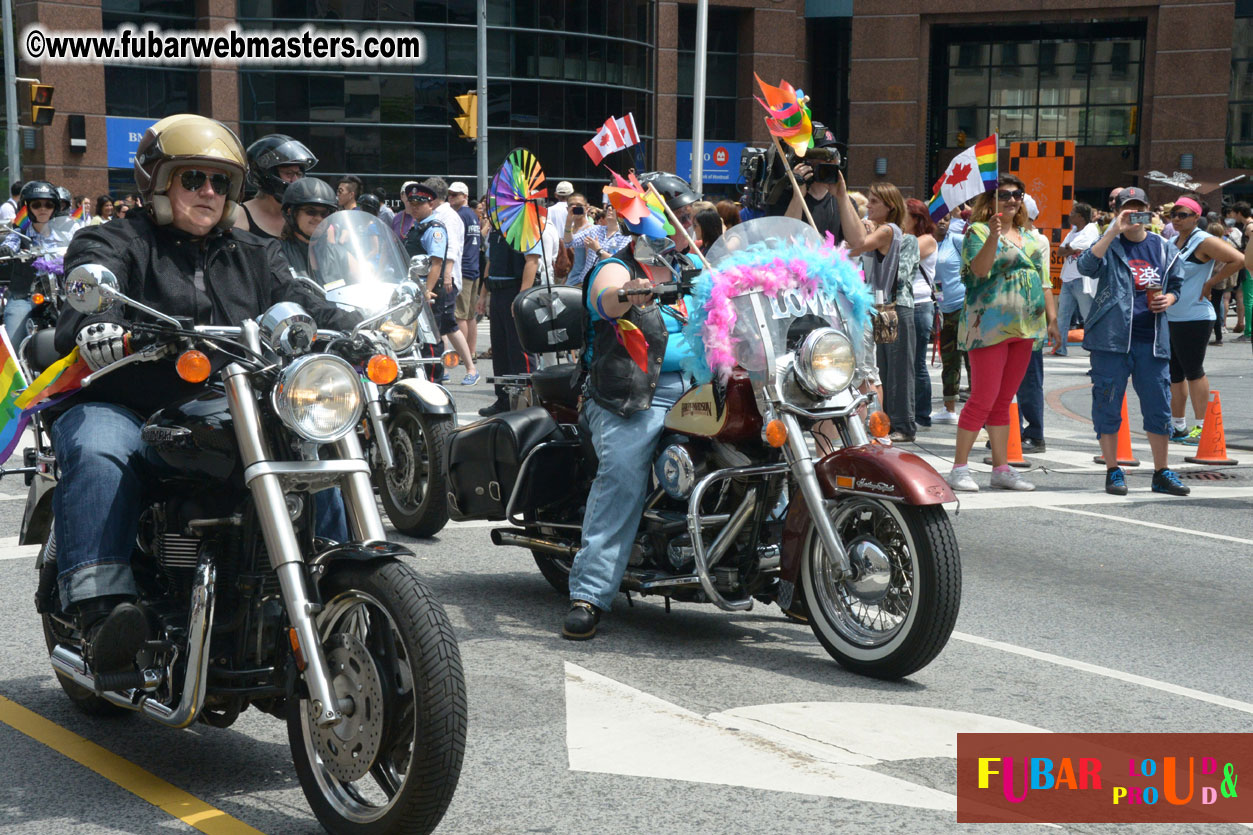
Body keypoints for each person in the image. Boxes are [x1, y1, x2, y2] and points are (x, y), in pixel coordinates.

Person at [51, 115, 360, 677]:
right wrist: (99, 321)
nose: (209, 193)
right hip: (127, 399)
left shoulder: (252, 252)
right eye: (193, 179)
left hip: (229, 401)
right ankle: (101, 615)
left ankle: (344, 584)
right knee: (99, 448)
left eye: (220, 183)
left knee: (315, 448)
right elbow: (87, 285)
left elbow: (299, 299)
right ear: (158, 182)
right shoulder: (115, 239)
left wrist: (360, 327)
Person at [563, 171, 701, 641]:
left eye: (691, 218)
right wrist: (626, 296)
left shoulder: (693, 267)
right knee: (623, 470)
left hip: (699, 392)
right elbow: (605, 298)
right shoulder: (619, 263)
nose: (688, 227)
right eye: (679, 218)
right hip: (632, 396)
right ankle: (590, 591)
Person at [945, 175, 1058, 492]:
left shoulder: (1032, 237)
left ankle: (1001, 467)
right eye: (1004, 195)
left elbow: (1044, 280)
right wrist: (994, 236)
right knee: (982, 397)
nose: (1012, 199)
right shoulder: (977, 232)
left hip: (1025, 325)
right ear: (990, 201)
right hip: (989, 326)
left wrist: (1052, 319)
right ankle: (959, 468)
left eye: (1017, 194)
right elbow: (978, 272)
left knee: (1004, 400)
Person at [1076, 186, 1189, 497]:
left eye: (1139, 208)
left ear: (1149, 212)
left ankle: (1161, 471)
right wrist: (1113, 231)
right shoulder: (1109, 244)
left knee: (1158, 406)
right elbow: (1085, 266)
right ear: (1118, 212)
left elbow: (1176, 283)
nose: (1133, 215)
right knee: (1107, 404)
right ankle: (1113, 469)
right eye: (1128, 209)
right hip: (1110, 340)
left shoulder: (1164, 247)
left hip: (1152, 340)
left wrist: (1170, 297)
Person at [839, 180, 920, 442]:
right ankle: (880, 426)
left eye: (874, 201)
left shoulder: (889, 230)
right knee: (876, 371)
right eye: (869, 200)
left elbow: (855, 246)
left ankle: (885, 428)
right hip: (875, 307)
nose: (869, 205)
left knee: (874, 371)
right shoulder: (883, 230)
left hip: (885, 308)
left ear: (889, 206)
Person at [1163, 196, 1242, 445]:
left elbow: (1238, 259)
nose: (1176, 219)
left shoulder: (1203, 240)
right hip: (1172, 315)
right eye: (1173, 214)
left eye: (1182, 214)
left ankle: (1202, 426)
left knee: (1193, 371)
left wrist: (1210, 283)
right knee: (1174, 374)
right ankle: (1178, 426)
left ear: (1196, 217)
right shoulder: (1173, 241)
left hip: (1195, 316)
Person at [477, 220, 534, 417]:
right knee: (500, 350)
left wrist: (522, 297)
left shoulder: (524, 225)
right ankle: (503, 400)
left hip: (514, 289)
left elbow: (532, 261)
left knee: (519, 350)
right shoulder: (496, 229)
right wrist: (483, 294)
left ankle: (527, 401)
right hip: (497, 291)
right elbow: (490, 263)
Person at [425, 177, 477, 383]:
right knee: (441, 326)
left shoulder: (448, 216)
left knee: (448, 325)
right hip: (440, 277)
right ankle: (444, 367)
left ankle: (470, 368)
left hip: (447, 278)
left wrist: (447, 275)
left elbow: (452, 247)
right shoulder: (439, 214)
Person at [0, 180, 61, 343]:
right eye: (37, 204)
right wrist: (6, 250)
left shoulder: (64, 235)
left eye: (48, 205)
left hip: (61, 295)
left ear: (55, 208)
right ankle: (17, 363)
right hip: (25, 295)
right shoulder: (19, 234)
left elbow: (79, 246)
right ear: (28, 208)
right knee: (13, 336)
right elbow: (8, 243)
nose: (43, 208)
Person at [1014, 194, 1051, 453]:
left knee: (1029, 378)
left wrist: (1053, 319)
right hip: (1000, 319)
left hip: (1029, 317)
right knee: (1003, 380)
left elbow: (1045, 281)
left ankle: (1034, 431)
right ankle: (1007, 428)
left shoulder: (1038, 241)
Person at [235, 133, 317, 239]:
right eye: (288, 173)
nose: (295, 180)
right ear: (265, 175)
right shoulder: (241, 216)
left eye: (299, 174)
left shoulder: (304, 215)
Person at [930, 212, 968, 424]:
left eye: (946, 218)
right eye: (938, 218)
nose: (942, 222)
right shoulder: (926, 243)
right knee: (949, 359)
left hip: (963, 307)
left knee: (971, 359)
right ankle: (949, 408)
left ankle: (978, 413)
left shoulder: (956, 240)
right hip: (942, 309)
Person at [903, 198, 937, 429]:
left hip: (920, 304)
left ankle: (922, 413)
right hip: (903, 305)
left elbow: (903, 257)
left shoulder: (926, 240)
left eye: (902, 214)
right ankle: (906, 410)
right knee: (902, 362)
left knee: (917, 362)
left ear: (917, 218)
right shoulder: (904, 238)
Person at [784, 123, 846, 245]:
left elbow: (858, 242)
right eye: (824, 156)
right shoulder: (784, 196)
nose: (830, 162)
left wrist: (842, 196)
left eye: (833, 157)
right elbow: (785, 241)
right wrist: (798, 196)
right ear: (805, 162)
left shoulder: (842, 200)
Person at [1054, 202, 1100, 356]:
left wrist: (1070, 248)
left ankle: (1095, 350)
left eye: (1073, 212)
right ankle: (1060, 348)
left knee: (1088, 317)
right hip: (1068, 279)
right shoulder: (1073, 231)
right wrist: (1070, 247)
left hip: (1082, 279)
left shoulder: (1091, 230)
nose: (1069, 215)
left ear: (1080, 217)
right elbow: (1060, 251)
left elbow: (1073, 248)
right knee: (1062, 317)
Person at [448, 181, 482, 362]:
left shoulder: (459, 215)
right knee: (469, 315)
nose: (451, 197)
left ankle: (464, 354)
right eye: (450, 194)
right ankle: (472, 351)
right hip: (474, 267)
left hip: (464, 268)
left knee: (460, 315)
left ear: (465, 196)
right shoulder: (472, 215)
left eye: (455, 194)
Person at [277, 176, 337, 277]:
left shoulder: (338, 253)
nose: (318, 218)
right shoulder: (276, 253)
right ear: (291, 213)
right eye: (311, 211)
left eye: (325, 213)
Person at [569, 203, 631, 287]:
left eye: (613, 207)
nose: (609, 208)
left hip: (606, 283)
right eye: (607, 207)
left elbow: (619, 262)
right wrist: (569, 221)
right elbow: (570, 242)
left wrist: (598, 250)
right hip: (586, 281)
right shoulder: (595, 229)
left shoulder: (626, 237)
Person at [560, 191, 594, 288]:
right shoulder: (569, 229)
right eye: (572, 206)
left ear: (587, 208)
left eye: (579, 205)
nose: (575, 208)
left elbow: (590, 263)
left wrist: (583, 284)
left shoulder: (590, 230)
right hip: (569, 282)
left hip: (580, 284)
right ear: (567, 209)